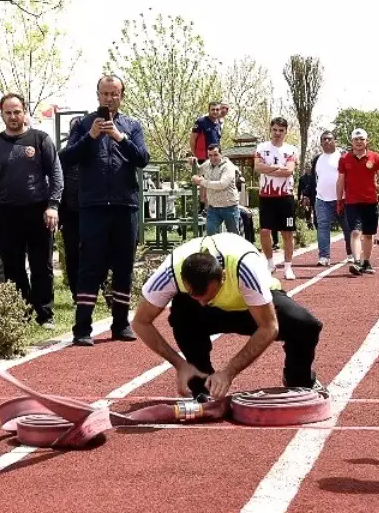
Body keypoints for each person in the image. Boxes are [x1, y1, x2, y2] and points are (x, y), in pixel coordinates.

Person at [131, 232, 324, 399]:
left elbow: (269, 327)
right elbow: (140, 322)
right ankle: (201, 381)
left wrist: (229, 372)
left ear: (222, 276)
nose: (203, 303)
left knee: (306, 325)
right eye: (195, 295)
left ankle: (298, 379)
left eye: (208, 295)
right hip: (209, 317)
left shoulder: (244, 266)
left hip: (251, 307)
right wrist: (179, 364)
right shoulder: (170, 272)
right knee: (182, 310)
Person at [63, 75, 150, 345]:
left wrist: (120, 138)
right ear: (97, 94)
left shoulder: (132, 126)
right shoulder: (83, 124)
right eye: (105, 93)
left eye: (114, 94)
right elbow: (65, 158)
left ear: (121, 95)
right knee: (89, 267)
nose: (109, 98)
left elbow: (142, 159)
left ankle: (121, 324)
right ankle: (82, 329)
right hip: (93, 206)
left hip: (125, 205)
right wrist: (91, 137)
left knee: (124, 267)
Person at [0, 94, 63, 326]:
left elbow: (56, 175)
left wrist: (53, 205)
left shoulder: (40, 140)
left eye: (17, 111)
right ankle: (22, 314)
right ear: (2, 114)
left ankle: (45, 314)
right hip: (6, 214)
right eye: (8, 112)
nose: (13, 116)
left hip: (39, 212)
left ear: (25, 112)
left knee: (41, 266)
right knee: (13, 268)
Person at [337, 127, 379, 277]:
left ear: (367, 141)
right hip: (352, 202)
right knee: (355, 232)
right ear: (351, 141)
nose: (359, 142)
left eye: (362, 139)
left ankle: (366, 262)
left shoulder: (375, 157)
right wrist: (339, 200)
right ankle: (357, 262)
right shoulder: (344, 159)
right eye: (356, 139)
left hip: (370, 201)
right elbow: (340, 181)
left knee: (368, 234)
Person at [298, 131, 352, 266]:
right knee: (322, 227)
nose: (326, 141)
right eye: (323, 139)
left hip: (342, 199)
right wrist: (306, 194)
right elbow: (312, 180)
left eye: (329, 139)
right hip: (322, 200)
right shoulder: (317, 159)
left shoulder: (343, 156)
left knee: (348, 227)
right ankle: (324, 256)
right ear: (321, 142)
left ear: (335, 141)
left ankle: (351, 253)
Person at [255, 117, 299, 279]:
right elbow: (258, 167)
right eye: (275, 130)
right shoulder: (262, 147)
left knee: (287, 232)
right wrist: (275, 167)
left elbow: (288, 171)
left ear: (286, 132)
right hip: (266, 196)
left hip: (285, 197)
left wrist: (269, 169)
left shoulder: (291, 149)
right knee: (265, 230)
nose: (277, 133)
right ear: (270, 130)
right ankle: (270, 263)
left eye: (281, 130)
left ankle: (288, 267)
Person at [57, 117, 82, 296]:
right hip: (70, 213)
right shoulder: (62, 156)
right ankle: (77, 292)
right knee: (73, 254)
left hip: (92, 212)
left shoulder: (93, 154)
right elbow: (57, 185)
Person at [192, 142, 240, 234]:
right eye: (210, 155)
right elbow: (198, 170)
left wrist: (202, 182)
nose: (212, 158)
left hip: (229, 207)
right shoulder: (207, 164)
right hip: (213, 208)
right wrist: (193, 162)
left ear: (221, 154)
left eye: (215, 155)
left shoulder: (228, 167)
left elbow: (222, 184)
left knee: (234, 237)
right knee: (211, 234)